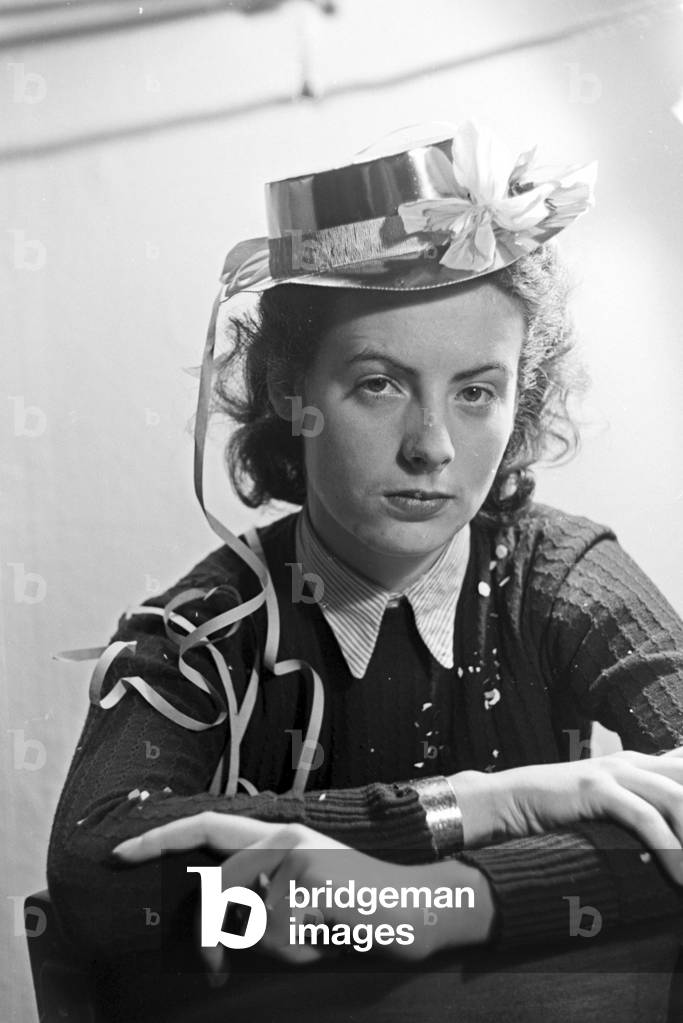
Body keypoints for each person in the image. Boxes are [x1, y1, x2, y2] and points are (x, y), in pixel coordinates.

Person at [47, 122, 683, 1020]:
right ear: (287, 388)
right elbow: (98, 873)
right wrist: (480, 804)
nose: (432, 448)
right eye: (379, 383)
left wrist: (436, 905)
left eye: (476, 391)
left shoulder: (558, 574)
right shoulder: (207, 629)